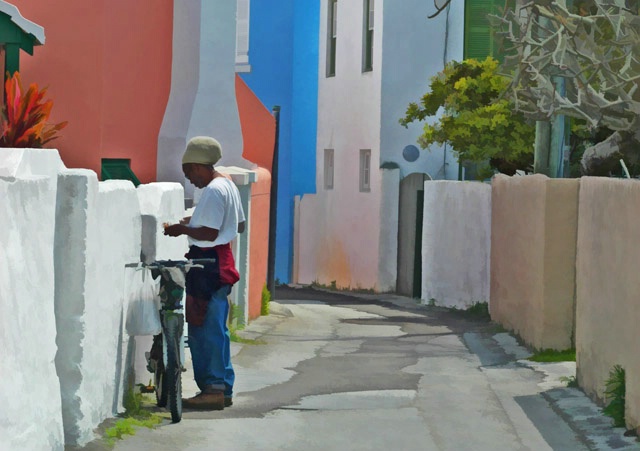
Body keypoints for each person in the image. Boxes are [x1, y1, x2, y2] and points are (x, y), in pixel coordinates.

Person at [163, 136, 246, 410]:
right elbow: (239, 224)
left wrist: (182, 229)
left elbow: (209, 233)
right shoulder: (228, 185)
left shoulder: (213, 190)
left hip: (208, 265)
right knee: (217, 329)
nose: (189, 179)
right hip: (222, 262)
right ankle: (224, 387)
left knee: (203, 327)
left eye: (189, 172)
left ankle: (212, 388)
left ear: (199, 165)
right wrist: (195, 219)